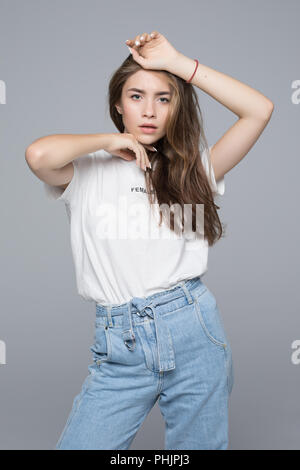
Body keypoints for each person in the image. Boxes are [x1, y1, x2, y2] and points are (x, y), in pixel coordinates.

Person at [25, 31, 274, 450]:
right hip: (119, 341)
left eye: (164, 98)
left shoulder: (194, 170)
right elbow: (38, 155)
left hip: (193, 329)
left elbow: (259, 110)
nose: (150, 110)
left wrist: (178, 63)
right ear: (118, 105)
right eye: (136, 96)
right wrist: (109, 141)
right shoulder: (86, 170)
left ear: (177, 108)